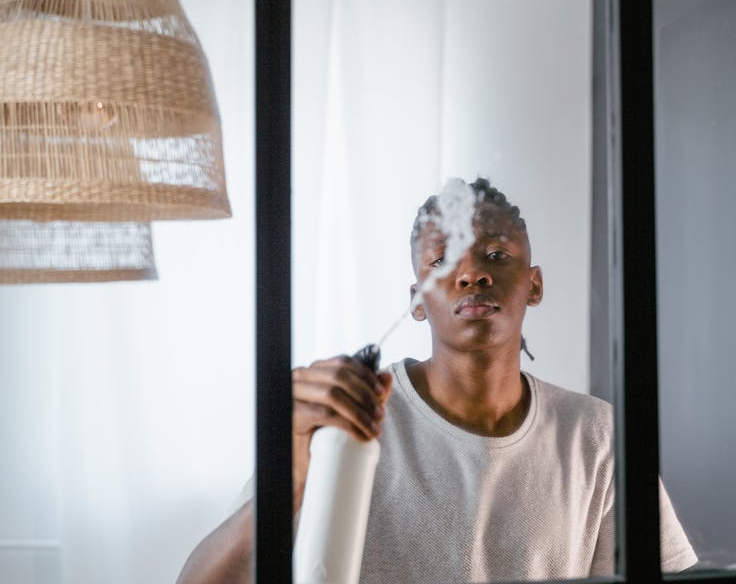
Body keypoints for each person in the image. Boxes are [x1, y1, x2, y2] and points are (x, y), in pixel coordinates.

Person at [177, 178, 697, 583]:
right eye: (443, 261)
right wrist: (288, 477)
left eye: (495, 255)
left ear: (534, 284)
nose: (472, 274)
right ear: (415, 302)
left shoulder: (598, 436)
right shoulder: (342, 424)